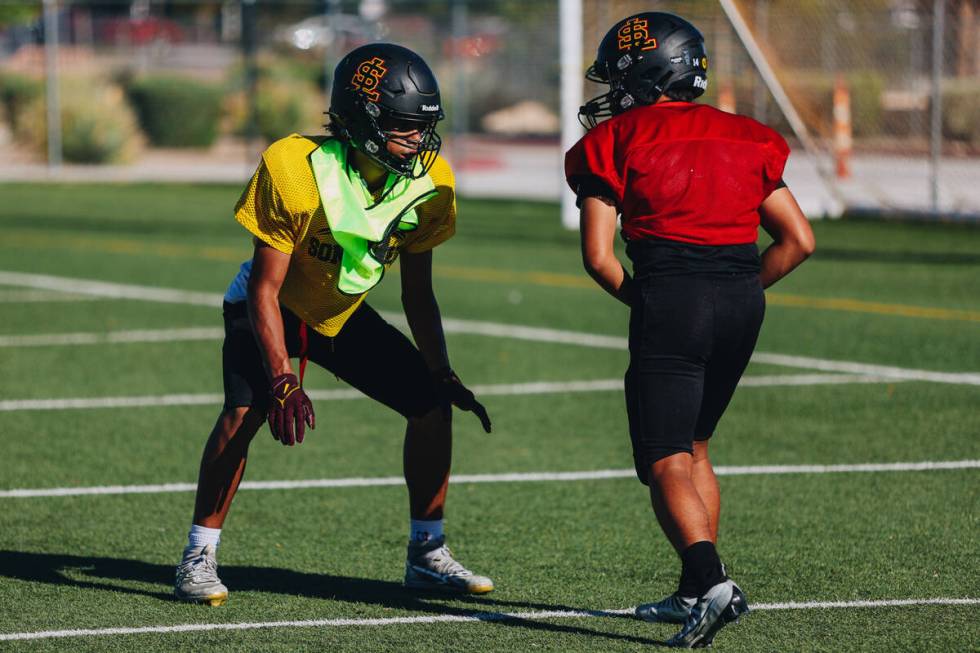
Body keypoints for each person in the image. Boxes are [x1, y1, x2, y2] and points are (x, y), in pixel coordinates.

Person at [174, 42, 494, 606]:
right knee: (244, 412)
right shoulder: (293, 169)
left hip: (339, 312)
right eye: (402, 126)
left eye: (423, 127)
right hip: (270, 307)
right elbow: (265, 289)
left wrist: (440, 368)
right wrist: (280, 378)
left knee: (430, 404)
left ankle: (426, 553)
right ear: (361, 122)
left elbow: (417, 290)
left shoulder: (429, 182)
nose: (417, 140)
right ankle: (198, 555)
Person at [565, 12, 815, 648]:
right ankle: (690, 589)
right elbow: (799, 240)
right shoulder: (748, 135)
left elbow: (598, 258)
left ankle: (712, 583)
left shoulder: (612, 141)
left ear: (648, 79)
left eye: (619, 82)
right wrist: (734, 294)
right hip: (740, 298)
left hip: (670, 294)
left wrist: (654, 305)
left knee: (664, 454)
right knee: (696, 443)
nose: (611, 97)